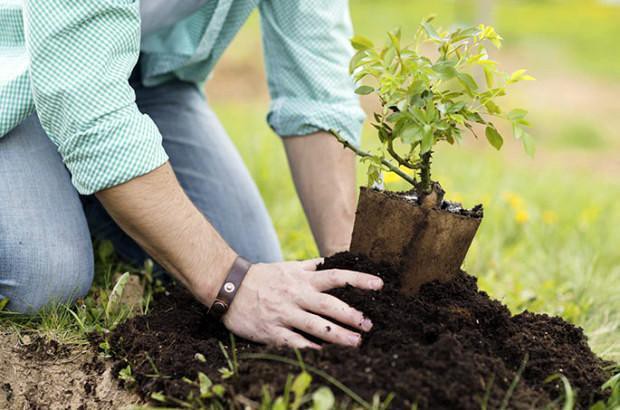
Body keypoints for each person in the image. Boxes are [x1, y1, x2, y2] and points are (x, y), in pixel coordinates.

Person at [0, 0, 383, 349]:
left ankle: (83, 183)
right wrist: (231, 286)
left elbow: (317, 83)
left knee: (252, 260)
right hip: (15, 64)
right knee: (44, 278)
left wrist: (350, 275)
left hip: (146, 75)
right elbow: (85, 101)